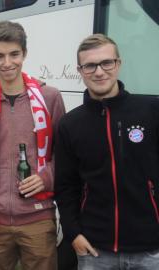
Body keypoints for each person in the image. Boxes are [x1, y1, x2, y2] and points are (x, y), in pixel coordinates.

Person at [0, 21, 65, 270]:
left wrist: (46, 177)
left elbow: (66, 154)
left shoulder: (50, 97)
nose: (7, 63)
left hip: (38, 217)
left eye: (14, 54)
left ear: (24, 54)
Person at [54, 33, 159, 269]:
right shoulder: (70, 124)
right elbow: (65, 186)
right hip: (95, 250)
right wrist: (74, 234)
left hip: (151, 250)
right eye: (90, 65)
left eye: (106, 63)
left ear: (118, 64)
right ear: (80, 71)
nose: (99, 72)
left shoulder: (151, 110)